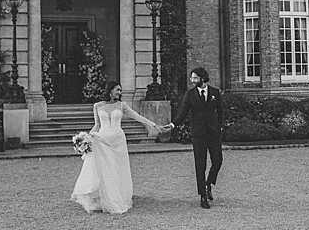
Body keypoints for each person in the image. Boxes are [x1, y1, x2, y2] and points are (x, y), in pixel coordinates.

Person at [70, 81, 162, 214]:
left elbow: (138, 117)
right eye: (117, 90)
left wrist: (154, 125)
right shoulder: (98, 106)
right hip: (102, 139)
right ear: (110, 90)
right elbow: (97, 125)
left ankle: (117, 194)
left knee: (116, 167)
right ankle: (102, 195)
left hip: (117, 141)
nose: (120, 92)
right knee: (103, 167)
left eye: (120, 90)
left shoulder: (122, 105)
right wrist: (86, 139)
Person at [171, 67, 224, 209]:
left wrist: (220, 126)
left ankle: (208, 184)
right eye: (191, 78)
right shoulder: (190, 95)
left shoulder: (215, 92)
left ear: (202, 78)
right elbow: (182, 112)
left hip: (213, 134)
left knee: (218, 161)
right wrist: (173, 124)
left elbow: (220, 111)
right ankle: (203, 196)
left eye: (194, 78)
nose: (192, 80)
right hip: (198, 134)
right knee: (200, 165)